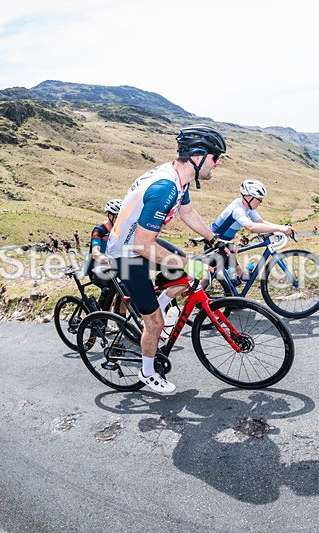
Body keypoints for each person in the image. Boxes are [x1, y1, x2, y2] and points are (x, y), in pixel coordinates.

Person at [106, 124, 229, 394]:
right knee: (155, 322)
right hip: (126, 253)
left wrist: (214, 239)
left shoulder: (179, 179)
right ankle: (148, 372)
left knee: (191, 272)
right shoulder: (165, 188)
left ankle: (160, 304)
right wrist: (189, 264)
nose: (218, 163)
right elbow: (142, 246)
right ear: (197, 156)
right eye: (215, 157)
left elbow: (188, 213)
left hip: (139, 241)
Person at [209, 179, 294, 284]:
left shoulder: (247, 207)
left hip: (226, 244)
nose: (260, 202)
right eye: (259, 199)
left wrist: (281, 227)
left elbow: (260, 222)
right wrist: (280, 229)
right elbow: (251, 227)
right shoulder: (238, 209)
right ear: (249, 197)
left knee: (241, 277)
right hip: (214, 244)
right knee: (205, 280)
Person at [86, 199, 123, 312]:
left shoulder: (119, 230)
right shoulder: (99, 230)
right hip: (95, 268)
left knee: (126, 286)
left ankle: (119, 317)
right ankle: (100, 318)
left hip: (111, 267)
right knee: (110, 287)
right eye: (118, 217)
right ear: (110, 216)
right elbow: (95, 252)